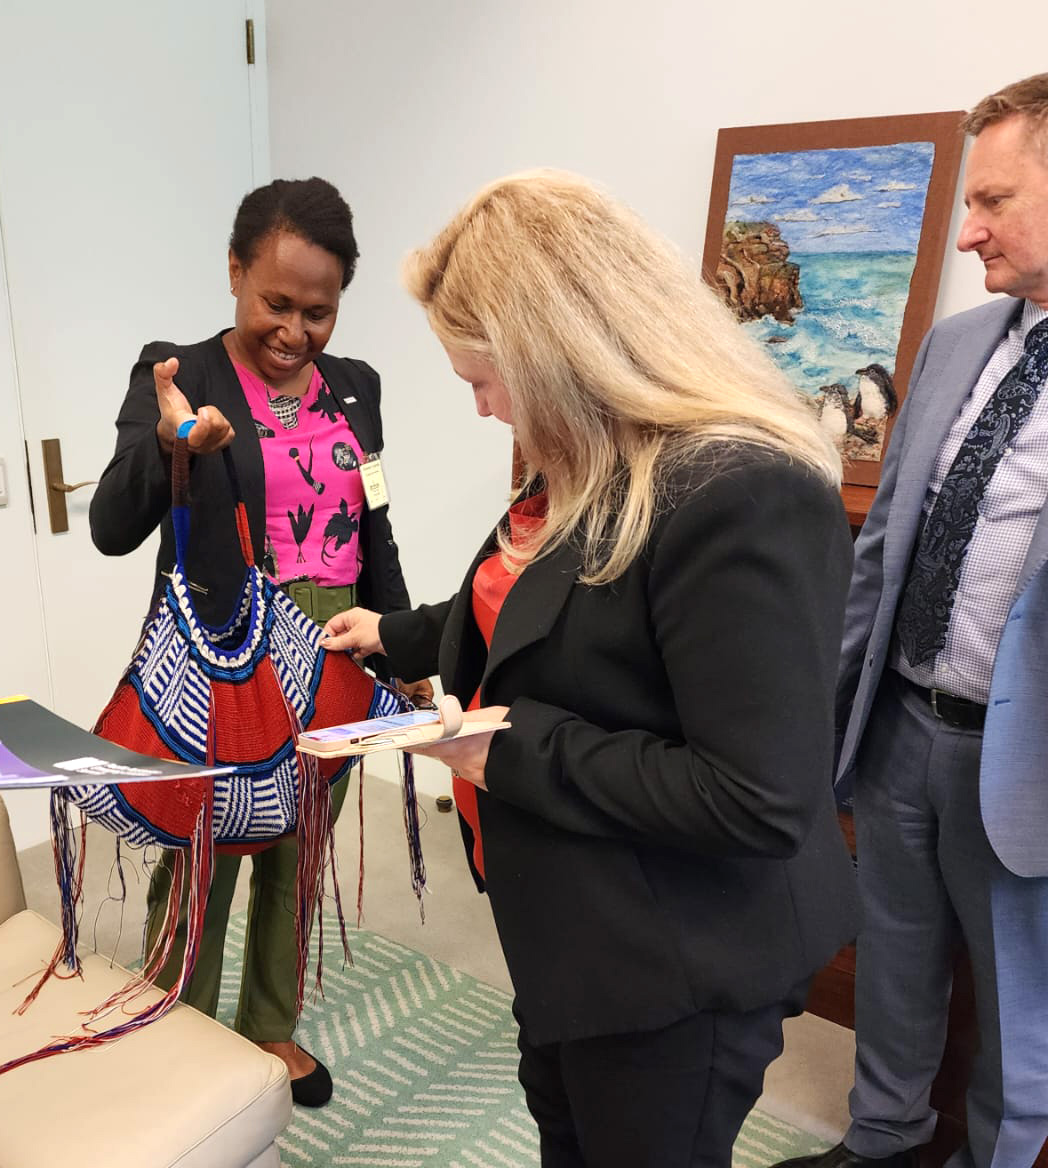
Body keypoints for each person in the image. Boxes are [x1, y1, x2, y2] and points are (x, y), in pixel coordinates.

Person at [321, 169, 860, 1167]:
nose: (482, 409)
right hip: (574, 925)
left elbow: (757, 797)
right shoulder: (582, 464)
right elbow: (533, 609)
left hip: (677, 955)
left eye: (483, 379)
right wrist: (394, 634)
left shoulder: (740, 493)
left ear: (558, 353)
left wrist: (512, 751)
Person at [89, 176, 428, 1107]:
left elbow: (377, 524)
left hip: (339, 651)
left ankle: (270, 1026)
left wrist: (404, 646)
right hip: (229, 656)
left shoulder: (357, 389)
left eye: (318, 311)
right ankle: (173, 1030)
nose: (295, 330)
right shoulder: (177, 373)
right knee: (206, 850)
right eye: (275, 302)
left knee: (299, 845)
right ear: (235, 271)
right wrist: (174, 452)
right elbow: (112, 528)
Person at [769, 74, 1048, 1168]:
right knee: (892, 957)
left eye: (994, 200)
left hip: (1021, 759)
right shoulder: (956, 343)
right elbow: (880, 547)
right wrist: (830, 710)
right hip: (900, 728)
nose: (968, 229)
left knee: (1019, 1011)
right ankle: (881, 1141)